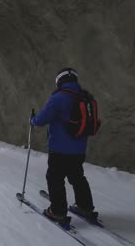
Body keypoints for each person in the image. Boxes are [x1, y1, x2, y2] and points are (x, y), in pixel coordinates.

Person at [30, 68, 97, 222]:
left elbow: (41, 119)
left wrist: (32, 120)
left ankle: (58, 211)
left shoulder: (59, 98)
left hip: (59, 149)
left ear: (59, 81)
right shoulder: (87, 97)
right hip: (79, 149)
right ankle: (85, 207)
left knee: (55, 178)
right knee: (77, 177)